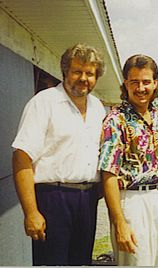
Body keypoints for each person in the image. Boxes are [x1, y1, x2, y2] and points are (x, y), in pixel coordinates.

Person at [12, 43, 106, 265]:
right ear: (65, 72)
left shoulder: (98, 107)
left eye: (90, 74)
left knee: (80, 262)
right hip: (52, 199)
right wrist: (31, 212)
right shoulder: (43, 103)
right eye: (77, 72)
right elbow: (21, 157)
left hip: (87, 199)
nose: (83, 78)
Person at [98, 54, 158, 266]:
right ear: (125, 84)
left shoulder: (154, 114)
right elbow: (108, 173)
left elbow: (156, 159)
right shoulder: (115, 119)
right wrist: (119, 223)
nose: (140, 88)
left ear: (155, 83)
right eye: (134, 82)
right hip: (133, 202)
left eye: (146, 82)